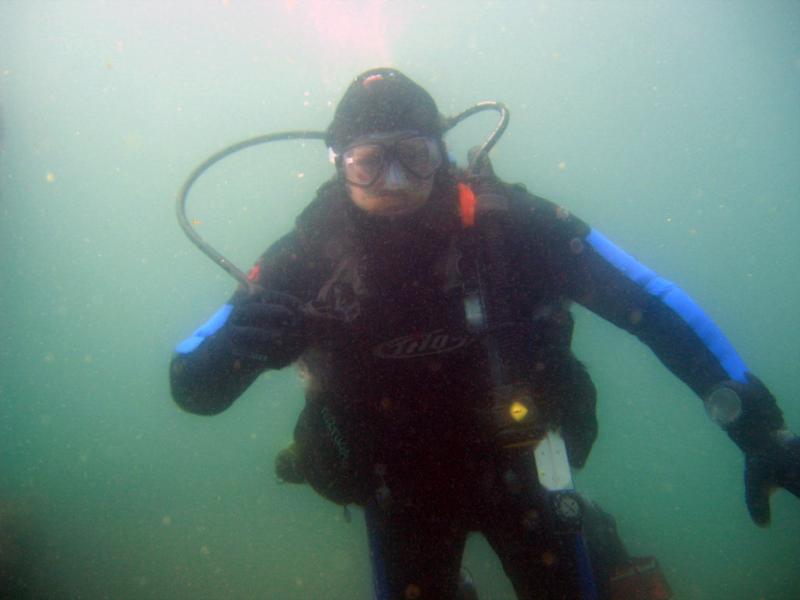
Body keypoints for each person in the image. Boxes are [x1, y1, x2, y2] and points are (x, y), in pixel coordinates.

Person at [170, 68, 800, 599]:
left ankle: (598, 542)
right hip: (399, 492)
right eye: (368, 163)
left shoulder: (510, 229)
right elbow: (192, 384)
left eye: (413, 156)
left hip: (522, 466)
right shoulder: (306, 257)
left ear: (441, 152)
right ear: (339, 166)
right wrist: (234, 347)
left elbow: (649, 304)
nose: (393, 183)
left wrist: (755, 425)